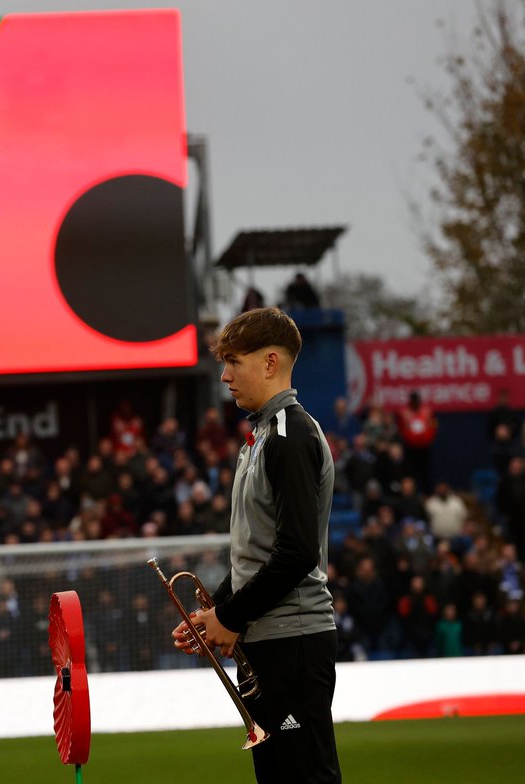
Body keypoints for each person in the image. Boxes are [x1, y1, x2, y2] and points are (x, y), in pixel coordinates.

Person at [171, 307, 340, 783]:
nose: (224, 376)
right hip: (272, 638)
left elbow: (297, 552)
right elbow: (260, 554)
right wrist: (217, 611)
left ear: (269, 362)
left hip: (294, 638)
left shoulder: (288, 434)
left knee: (306, 776)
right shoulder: (263, 435)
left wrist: (230, 616)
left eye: (233, 362)